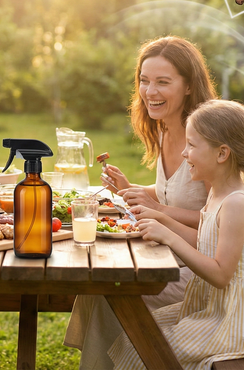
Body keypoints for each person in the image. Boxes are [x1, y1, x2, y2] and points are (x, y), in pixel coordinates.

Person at [64, 36, 217, 369]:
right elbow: (174, 191)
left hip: (200, 270)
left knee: (111, 291)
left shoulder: (207, 139)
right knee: (98, 281)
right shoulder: (165, 130)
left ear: (189, 86)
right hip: (167, 253)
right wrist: (132, 188)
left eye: (163, 82)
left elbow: (218, 219)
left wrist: (160, 213)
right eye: (145, 81)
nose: (150, 91)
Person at [108, 99, 244, 369]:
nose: (185, 153)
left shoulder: (236, 203)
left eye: (192, 145)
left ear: (222, 154)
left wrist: (169, 237)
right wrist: (161, 219)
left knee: (145, 348)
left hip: (238, 321)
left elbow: (221, 275)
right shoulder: (218, 191)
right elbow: (205, 242)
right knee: (135, 337)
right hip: (214, 308)